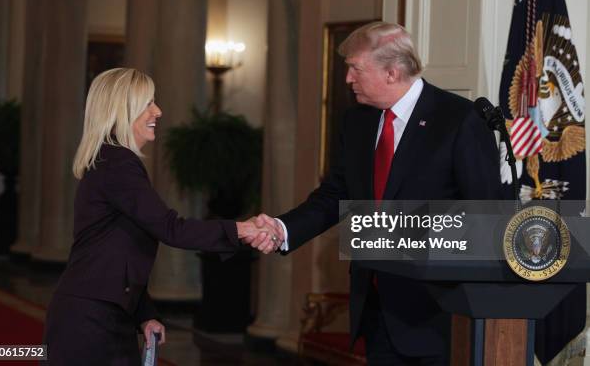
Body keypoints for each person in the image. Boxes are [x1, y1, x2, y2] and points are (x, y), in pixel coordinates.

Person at [249, 22, 502, 365]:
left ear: (391, 72)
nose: (348, 79)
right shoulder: (358, 122)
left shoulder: (459, 119)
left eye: (355, 68)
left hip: (438, 316)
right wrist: (283, 229)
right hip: (375, 311)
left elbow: (483, 215)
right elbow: (335, 195)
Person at [42, 68, 280, 365]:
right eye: (147, 103)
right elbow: (171, 229)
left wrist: (145, 316)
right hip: (89, 323)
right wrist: (240, 229)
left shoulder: (111, 160)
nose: (158, 111)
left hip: (102, 315)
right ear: (121, 111)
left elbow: (120, 253)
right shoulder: (119, 164)